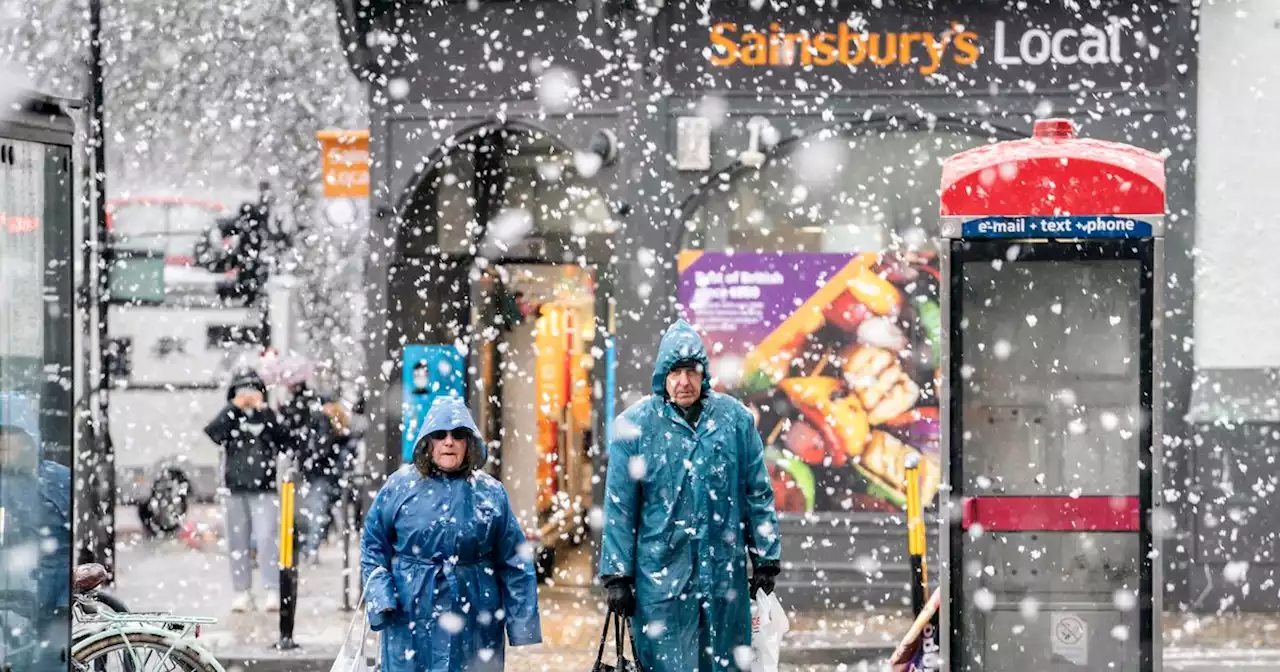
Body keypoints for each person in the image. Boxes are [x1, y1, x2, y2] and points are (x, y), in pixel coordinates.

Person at [599, 319, 782, 672]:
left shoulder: (735, 421)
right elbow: (620, 507)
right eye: (674, 372)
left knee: (724, 663)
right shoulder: (634, 427)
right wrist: (617, 577)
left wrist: (765, 556)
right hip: (660, 584)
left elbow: (756, 492)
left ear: (704, 374)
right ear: (661, 377)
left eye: (691, 371)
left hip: (723, 577)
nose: (683, 382)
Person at [361, 396, 540, 671]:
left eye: (458, 434)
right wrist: (381, 597)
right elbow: (374, 544)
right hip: (410, 610)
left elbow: (515, 559)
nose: (449, 441)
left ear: (468, 443)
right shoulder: (399, 487)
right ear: (427, 442)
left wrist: (522, 623)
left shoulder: (490, 493)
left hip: (475, 612)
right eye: (439, 434)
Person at [204, 369, 289, 612]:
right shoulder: (231, 418)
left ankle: (272, 590)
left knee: (266, 539)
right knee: (237, 542)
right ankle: (242, 591)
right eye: (242, 391)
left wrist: (267, 412)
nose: (248, 396)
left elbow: (285, 440)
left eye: (252, 390)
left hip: (264, 488)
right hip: (235, 489)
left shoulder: (267, 417)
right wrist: (233, 408)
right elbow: (212, 432)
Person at [0, 392, 71, 670]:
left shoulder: (59, 480)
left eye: (8, 432)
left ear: (29, 436)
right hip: (17, 602)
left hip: (52, 605)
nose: (1, 440)